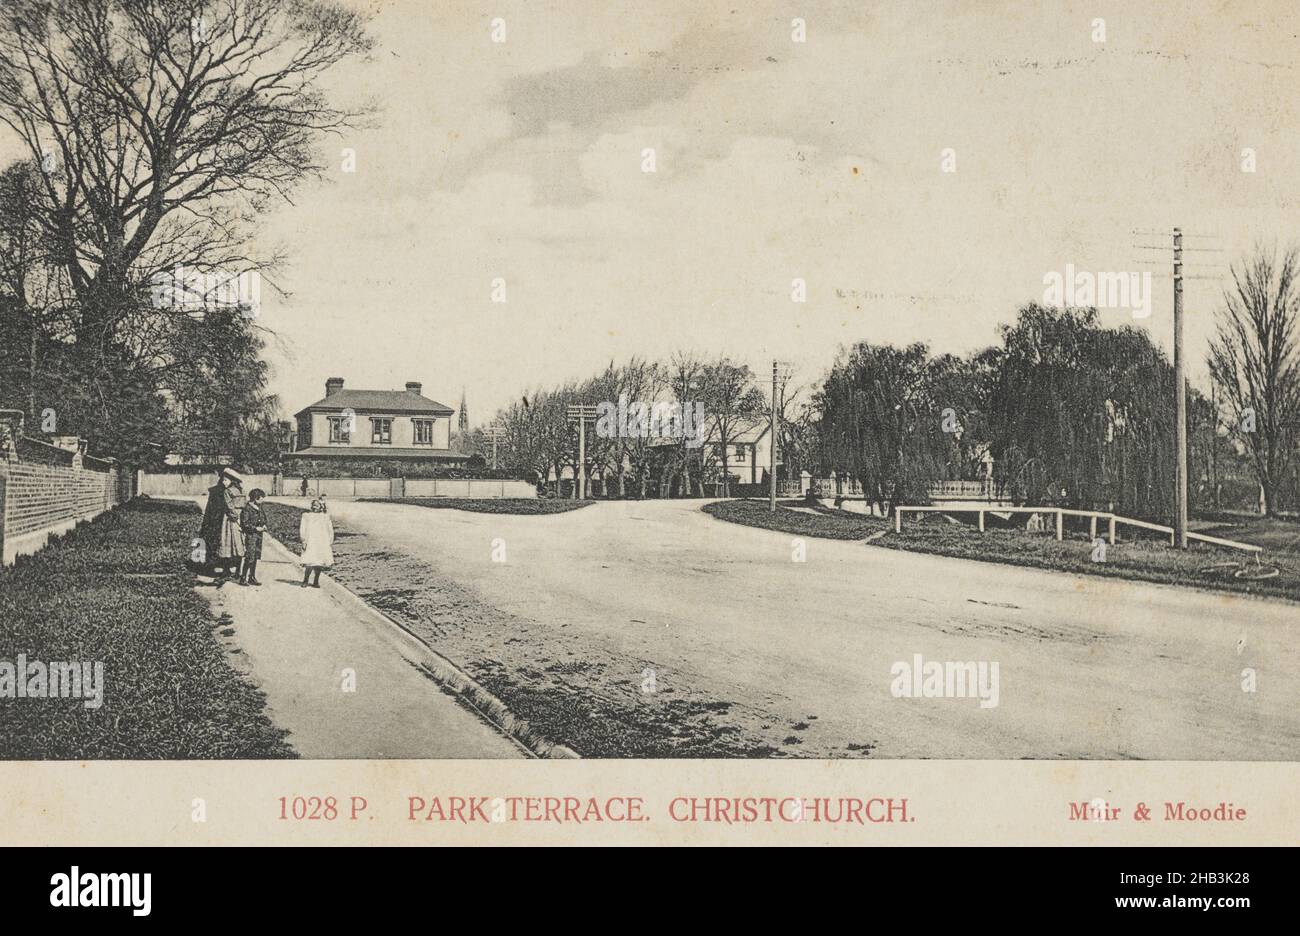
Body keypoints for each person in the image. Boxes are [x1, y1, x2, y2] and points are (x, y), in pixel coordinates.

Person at [199, 468, 246, 586]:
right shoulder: (220, 491)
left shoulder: (234, 491)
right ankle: (226, 569)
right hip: (223, 521)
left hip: (231, 520)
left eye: (225, 479)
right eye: (223, 479)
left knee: (233, 544)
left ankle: (232, 569)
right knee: (226, 545)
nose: (223, 481)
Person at [299, 498, 335, 588]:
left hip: (322, 541)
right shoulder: (306, 516)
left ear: (321, 507)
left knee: (319, 562)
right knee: (309, 562)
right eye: (313, 505)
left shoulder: (325, 517)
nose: (315, 507)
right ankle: (305, 580)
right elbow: (302, 528)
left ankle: (316, 581)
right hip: (311, 541)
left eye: (317, 505)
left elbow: (330, 529)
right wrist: (304, 540)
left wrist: (330, 540)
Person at [239, 488, 269, 586]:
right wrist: (256, 528)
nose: (263, 500)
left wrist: (264, 524)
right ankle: (243, 578)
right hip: (250, 535)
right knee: (249, 557)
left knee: (255, 556)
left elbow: (264, 518)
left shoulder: (259, 507)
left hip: (258, 536)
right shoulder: (247, 509)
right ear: (256, 498)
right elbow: (245, 524)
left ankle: (252, 577)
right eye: (261, 498)